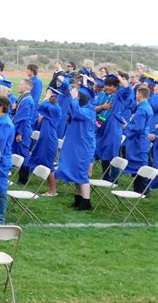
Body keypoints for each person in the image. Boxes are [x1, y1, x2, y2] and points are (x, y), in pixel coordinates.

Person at [55, 80, 96, 210]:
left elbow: (77, 113)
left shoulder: (89, 110)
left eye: (78, 96)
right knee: (76, 172)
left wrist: (73, 99)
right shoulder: (81, 108)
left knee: (82, 173)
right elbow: (72, 110)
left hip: (83, 147)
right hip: (76, 145)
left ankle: (86, 202)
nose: (76, 98)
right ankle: (78, 199)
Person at [94, 74, 134, 182]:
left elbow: (128, 89)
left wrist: (121, 79)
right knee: (102, 151)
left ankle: (114, 179)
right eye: (106, 85)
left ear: (116, 87)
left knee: (112, 153)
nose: (107, 87)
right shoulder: (103, 96)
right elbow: (93, 108)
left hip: (113, 128)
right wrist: (103, 106)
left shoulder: (119, 96)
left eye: (111, 85)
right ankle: (106, 176)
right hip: (100, 127)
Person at [29, 90, 62, 196]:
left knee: (49, 165)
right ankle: (51, 189)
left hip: (50, 140)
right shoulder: (48, 114)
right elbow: (38, 118)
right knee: (44, 162)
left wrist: (47, 97)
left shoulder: (56, 110)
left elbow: (41, 106)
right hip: (45, 139)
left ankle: (53, 191)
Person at [123, 86, 153, 194]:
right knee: (141, 165)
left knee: (140, 166)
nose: (135, 95)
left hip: (139, 141)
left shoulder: (142, 109)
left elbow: (137, 128)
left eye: (136, 93)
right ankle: (141, 190)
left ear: (140, 94)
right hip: (142, 140)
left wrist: (126, 127)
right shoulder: (146, 106)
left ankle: (141, 191)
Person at [0, 96, 14, 225]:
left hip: (1, 160)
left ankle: (0, 219)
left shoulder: (5, 123)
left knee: (1, 189)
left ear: (1, 107)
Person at [11, 79, 35, 184]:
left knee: (23, 153)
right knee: (18, 153)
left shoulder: (28, 100)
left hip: (23, 131)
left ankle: (23, 179)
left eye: (20, 84)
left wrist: (20, 133)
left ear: (26, 87)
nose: (19, 86)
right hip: (19, 128)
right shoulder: (22, 98)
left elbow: (24, 118)